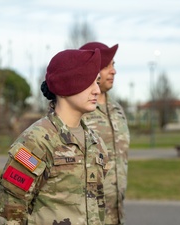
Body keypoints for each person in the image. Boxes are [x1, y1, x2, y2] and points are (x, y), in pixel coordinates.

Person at [0, 48, 109, 225]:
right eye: (89, 82)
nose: (97, 90)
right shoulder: (37, 141)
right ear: (66, 85)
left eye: (97, 82)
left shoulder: (96, 143)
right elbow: (10, 210)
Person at [79, 42, 130, 225]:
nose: (113, 71)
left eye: (113, 65)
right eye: (107, 66)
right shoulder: (78, 111)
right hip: (86, 215)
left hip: (116, 212)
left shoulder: (117, 109)